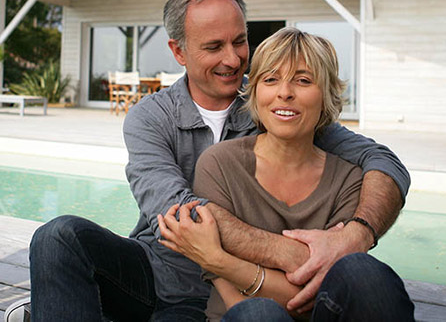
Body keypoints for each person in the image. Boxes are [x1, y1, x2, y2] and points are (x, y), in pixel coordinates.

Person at [16, 0, 410, 321]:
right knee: (58, 237)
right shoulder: (149, 119)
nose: (233, 58)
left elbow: (384, 163)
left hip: (244, 293)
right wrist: (301, 256)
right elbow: (180, 215)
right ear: (179, 51)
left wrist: (354, 236)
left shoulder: (273, 106)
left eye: (240, 41)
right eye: (214, 46)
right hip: (160, 278)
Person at [157, 27, 414, 320]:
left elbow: (328, 293)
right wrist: (220, 264)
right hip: (242, 315)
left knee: (364, 273)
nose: (285, 93)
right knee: (260, 314)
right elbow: (235, 298)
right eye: (270, 80)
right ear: (254, 92)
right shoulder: (219, 165)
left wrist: (219, 259)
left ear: (327, 95)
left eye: (303, 81)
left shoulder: (350, 181)